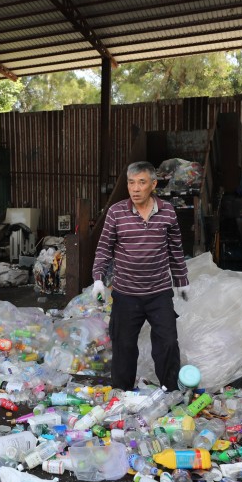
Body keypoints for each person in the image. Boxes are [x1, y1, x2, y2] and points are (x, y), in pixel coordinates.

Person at [92, 161, 189, 391]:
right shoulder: (116, 212)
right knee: (124, 347)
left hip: (159, 294)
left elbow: (175, 248)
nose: (135, 189)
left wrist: (182, 281)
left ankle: (170, 392)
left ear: (153, 184)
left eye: (142, 183)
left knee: (167, 345)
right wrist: (98, 279)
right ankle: (122, 395)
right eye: (131, 183)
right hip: (126, 294)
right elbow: (104, 248)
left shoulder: (168, 212)